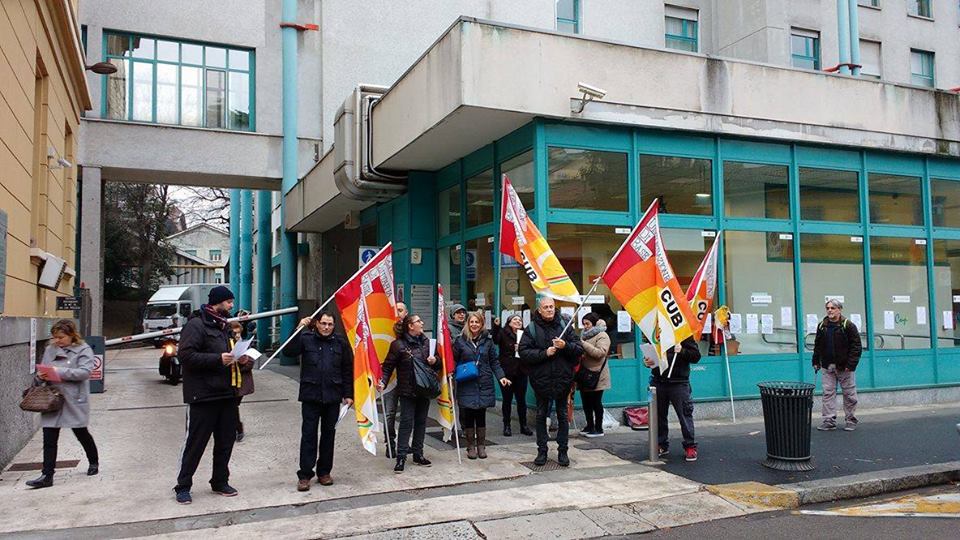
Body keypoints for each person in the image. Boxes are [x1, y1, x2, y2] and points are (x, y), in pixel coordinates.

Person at [173, 285, 250, 504]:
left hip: (227, 394)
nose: (232, 306)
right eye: (229, 302)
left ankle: (220, 481)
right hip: (203, 395)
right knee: (196, 443)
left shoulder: (224, 326)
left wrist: (239, 357)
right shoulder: (196, 325)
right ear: (217, 302)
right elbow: (186, 356)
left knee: (225, 441)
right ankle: (183, 485)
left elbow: (229, 352)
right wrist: (217, 359)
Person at [282, 312, 354, 491]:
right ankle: (305, 474)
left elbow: (346, 370)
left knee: (328, 436)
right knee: (309, 435)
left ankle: (324, 472)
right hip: (311, 395)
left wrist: (348, 394)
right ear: (316, 324)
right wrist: (298, 328)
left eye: (330, 324)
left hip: (332, 396)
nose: (326, 327)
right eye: (323, 323)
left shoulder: (340, 343)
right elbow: (288, 351)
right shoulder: (306, 338)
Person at [25, 320, 99, 489]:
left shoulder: (84, 350)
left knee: (81, 432)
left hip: (74, 398)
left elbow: (85, 372)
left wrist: (58, 372)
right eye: (55, 337)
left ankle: (93, 461)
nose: (57, 340)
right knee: (49, 437)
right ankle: (47, 475)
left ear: (72, 335)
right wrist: (41, 376)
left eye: (61, 337)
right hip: (52, 399)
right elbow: (43, 369)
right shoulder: (51, 349)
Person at [519, 296, 583, 467]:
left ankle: (563, 451)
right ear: (539, 310)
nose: (549, 309)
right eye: (546, 307)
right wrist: (543, 353)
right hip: (541, 381)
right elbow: (523, 352)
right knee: (541, 416)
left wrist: (565, 346)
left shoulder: (565, 326)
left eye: (552, 307)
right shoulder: (531, 328)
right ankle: (542, 451)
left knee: (562, 416)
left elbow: (579, 349)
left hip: (563, 380)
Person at [380, 313, 441, 472]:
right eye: (418, 321)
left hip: (425, 389)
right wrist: (382, 382)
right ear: (410, 326)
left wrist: (435, 360)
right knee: (406, 423)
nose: (422, 323)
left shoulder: (428, 342)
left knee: (421, 422)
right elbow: (388, 366)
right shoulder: (398, 345)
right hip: (407, 391)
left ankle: (418, 454)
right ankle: (401, 457)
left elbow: (438, 362)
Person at [454, 312, 510, 459]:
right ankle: (470, 446)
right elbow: (453, 360)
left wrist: (501, 377)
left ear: (481, 324)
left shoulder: (488, 341)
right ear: (468, 323)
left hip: (484, 381)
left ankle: (481, 445)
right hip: (467, 382)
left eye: (477, 322)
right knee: (469, 414)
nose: (474, 325)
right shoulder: (460, 341)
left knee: (481, 414)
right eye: (471, 322)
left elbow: (494, 362)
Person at [644, 337, 701, 462]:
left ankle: (690, 446)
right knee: (658, 416)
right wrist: (647, 361)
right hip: (658, 380)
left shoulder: (682, 334)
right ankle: (661, 444)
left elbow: (696, 356)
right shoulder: (655, 334)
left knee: (684, 415)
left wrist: (682, 351)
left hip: (679, 382)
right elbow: (649, 355)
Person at [813, 298, 862, 432]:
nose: (829, 310)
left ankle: (850, 420)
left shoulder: (848, 325)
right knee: (828, 393)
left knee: (849, 394)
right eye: (828, 308)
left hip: (844, 366)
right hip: (827, 366)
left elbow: (856, 346)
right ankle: (829, 420)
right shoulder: (822, 325)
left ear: (839, 310)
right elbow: (817, 345)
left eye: (832, 308)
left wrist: (851, 364)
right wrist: (816, 361)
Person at [493, 314, 533, 437]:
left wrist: (522, 349)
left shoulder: (525, 334)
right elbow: (495, 339)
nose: (518, 321)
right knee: (507, 400)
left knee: (521, 400)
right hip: (507, 372)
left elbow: (531, 348)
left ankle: (523, 425)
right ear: (509, 323)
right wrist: (496, 326)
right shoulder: (503, 333)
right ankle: (507, 425)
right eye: (515, 319)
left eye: (520, 320)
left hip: (521, 371)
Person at [578, 313, 611, 438]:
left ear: (594, 323)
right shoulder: (584, 335)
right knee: (586, 402)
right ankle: (589, 425)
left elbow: (600, 353)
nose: (585, 326)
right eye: (584, 324)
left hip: (597, 374)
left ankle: (598, 427)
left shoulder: (602, 335)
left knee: (596, 402)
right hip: (584, 373)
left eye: (587, 324)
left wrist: (583, 344)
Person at [382, 302, 407, 458]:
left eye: (400, 310)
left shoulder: (412, 329)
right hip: (390, 379)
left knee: (407, 414)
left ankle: (404, 444)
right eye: (395, 310)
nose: (397, 313)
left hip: (407, 380)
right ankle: (390, 443)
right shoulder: (384, 327)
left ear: (406, 312)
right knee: (390, 413)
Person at [229, 321, 254, 442]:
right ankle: (236, 427)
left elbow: (250, 363)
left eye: (239, 333)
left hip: (241, 383)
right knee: (231, 406)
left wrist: (242, 362)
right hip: (229, 381)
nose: (238, 336)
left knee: (233, 405)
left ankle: (237, 428)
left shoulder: (244, 344)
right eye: (235, 333)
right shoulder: (226, 344)